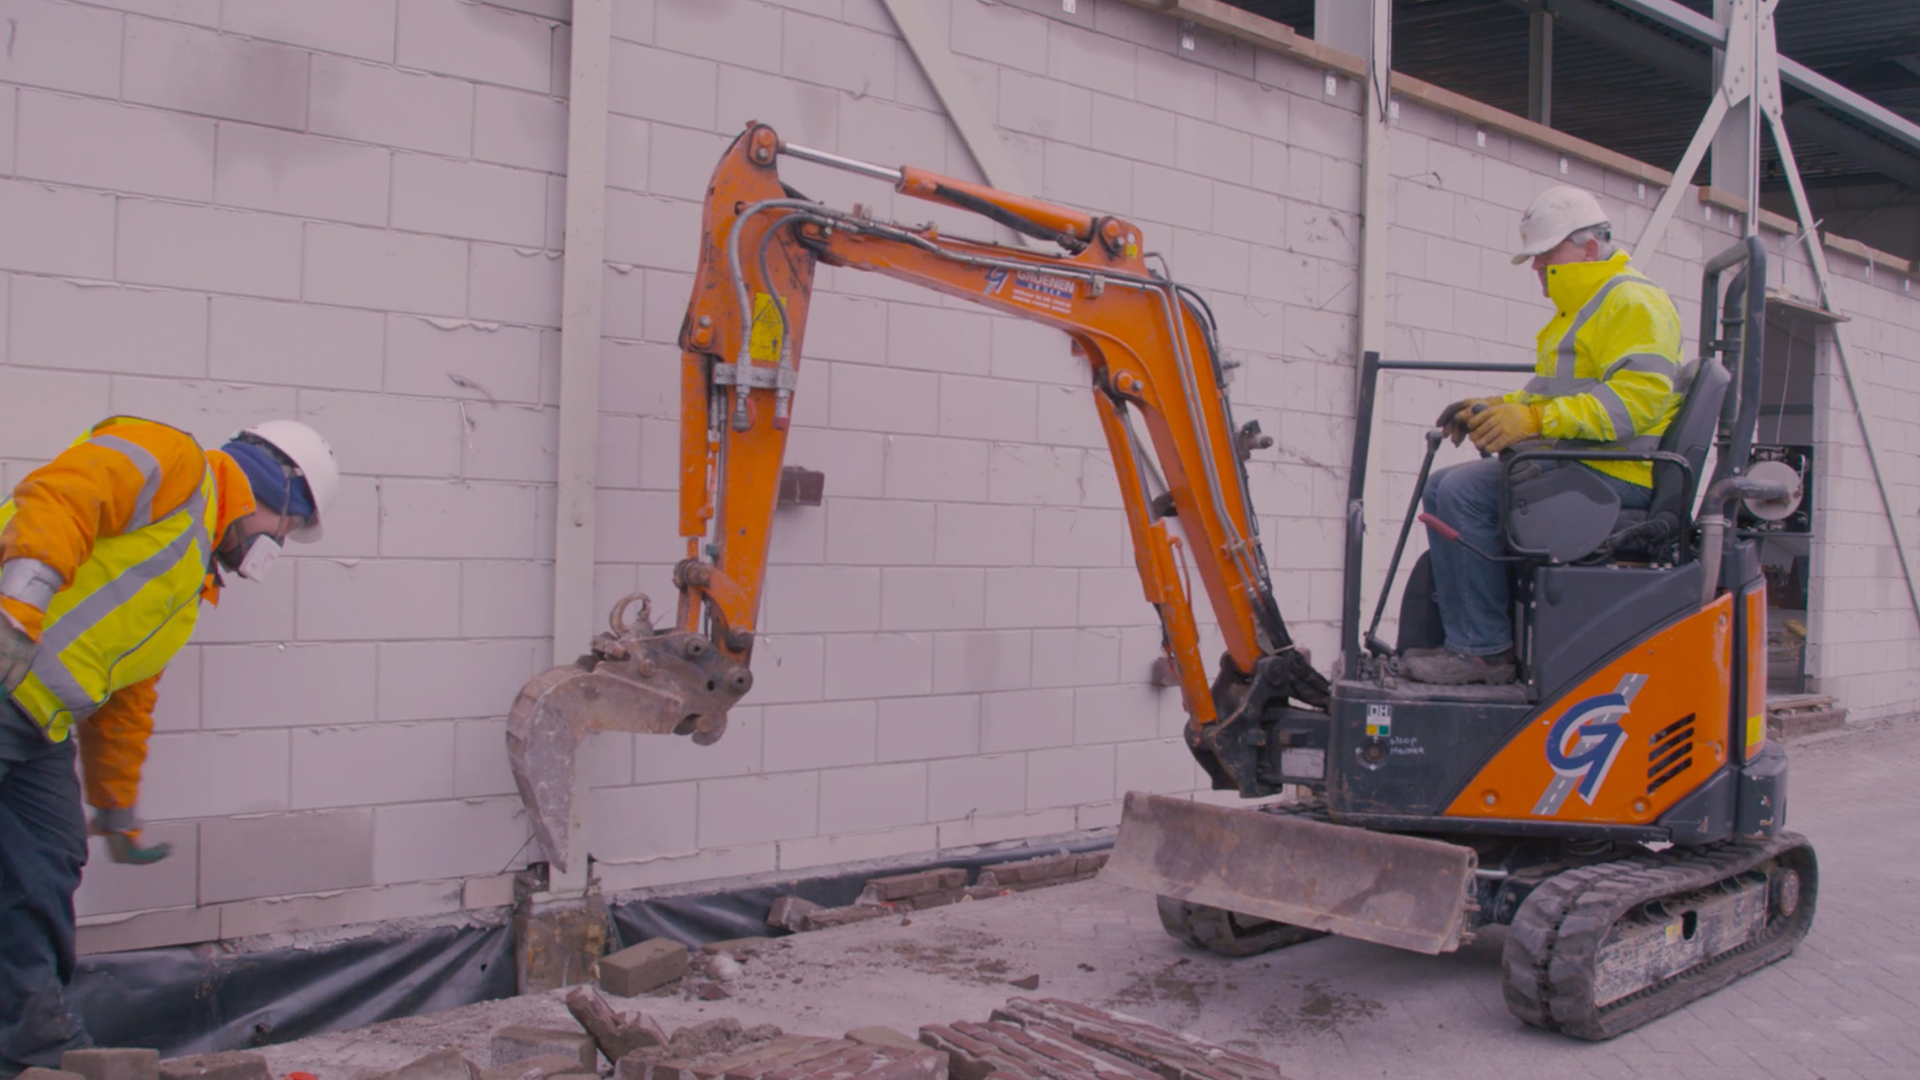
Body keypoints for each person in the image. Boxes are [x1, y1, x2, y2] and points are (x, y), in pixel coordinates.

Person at [0, 417, 337, 1074]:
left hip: (37, 724)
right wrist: (16, 609)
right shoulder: (174, 460)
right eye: (288, 528)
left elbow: (127, 697)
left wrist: (116, 807)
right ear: (275, 490)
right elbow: (62, 494)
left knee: (45, 864)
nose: (278, 544)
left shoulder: (188, 579)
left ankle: (30, 1055)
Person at [1403, 186, 1685, 686]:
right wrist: (1499, 408)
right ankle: (1474, 637)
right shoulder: (1584, 311)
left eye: (1546, 255)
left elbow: (1638, 402)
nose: (1537, 269)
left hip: (1619, 473)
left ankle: (1481, 651)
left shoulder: (1634, 303)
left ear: (1589, 250)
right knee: (1443, 486)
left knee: (1462, 493)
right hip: (1586, 463)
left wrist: (1534, 423)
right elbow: (1553, 394)